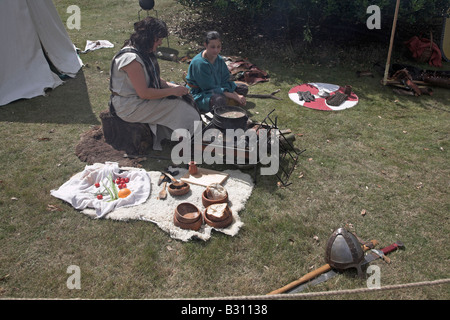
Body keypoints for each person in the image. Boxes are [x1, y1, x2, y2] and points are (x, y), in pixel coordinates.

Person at [109, 17, 200, 151]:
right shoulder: (131, 59)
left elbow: (154, 80)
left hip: (137, 100)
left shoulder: (143, 51)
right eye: (158, 39)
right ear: (149, 37)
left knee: (181, 99)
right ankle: (191, 141)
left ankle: (181, 135)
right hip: (128, 106)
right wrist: (172, 92)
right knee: (178, 106)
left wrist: (174, 87)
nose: (160, 42)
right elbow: (144, 93)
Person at [185, 31, 247, 113]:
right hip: (201, 92)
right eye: (212, 47)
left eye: (218, 47)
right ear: (205, 45)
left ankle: (227, 102)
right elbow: (210, 88)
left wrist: (236, 94)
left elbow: (225, 80)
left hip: (218, 88)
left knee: (243, 88)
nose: (216, 50)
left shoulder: (219, 59)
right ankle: (224, 104)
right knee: (219, 100)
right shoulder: (200, 63)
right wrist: (235, 96)